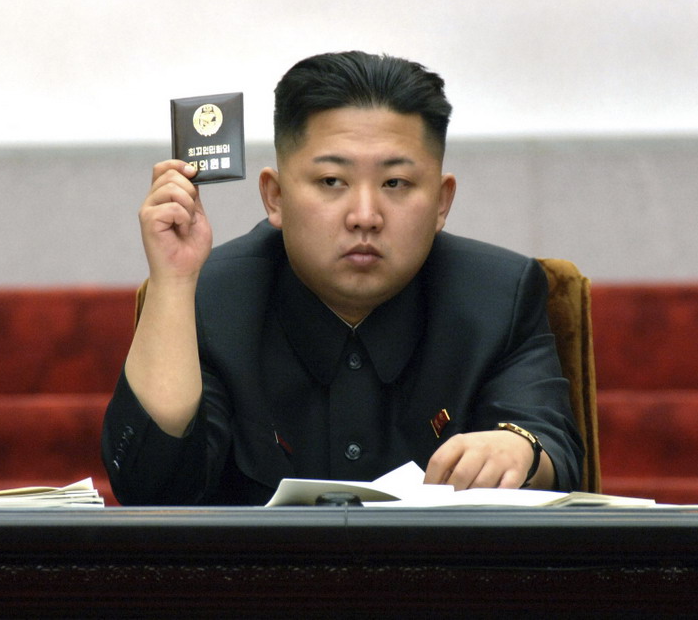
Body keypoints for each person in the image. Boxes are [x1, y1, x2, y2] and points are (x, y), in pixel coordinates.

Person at [102, 51, 584, 505]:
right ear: (275, 197)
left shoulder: (498, 295)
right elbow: (150, 488)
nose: (365, 216)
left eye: (396, 183)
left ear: (441, 201)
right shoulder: (211, 299)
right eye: (332, 181)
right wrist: (174, 283)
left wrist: (520, 451)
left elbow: (552, 446)